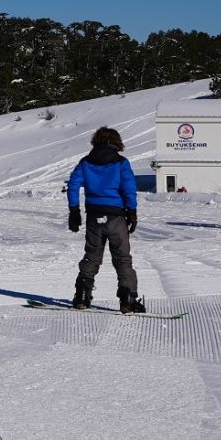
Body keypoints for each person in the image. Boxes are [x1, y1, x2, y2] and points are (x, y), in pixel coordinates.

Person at [66, 126, 143, 312]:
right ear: (116, 142)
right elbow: (129, 189)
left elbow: (73, 185)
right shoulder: (121, 163)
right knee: (123, 259)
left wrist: (74, 211)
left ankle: (82, 296)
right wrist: (132, 212)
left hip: (94, 217)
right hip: (116, 217)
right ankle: (128, 300)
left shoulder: (85, 162)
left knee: (92, 257)